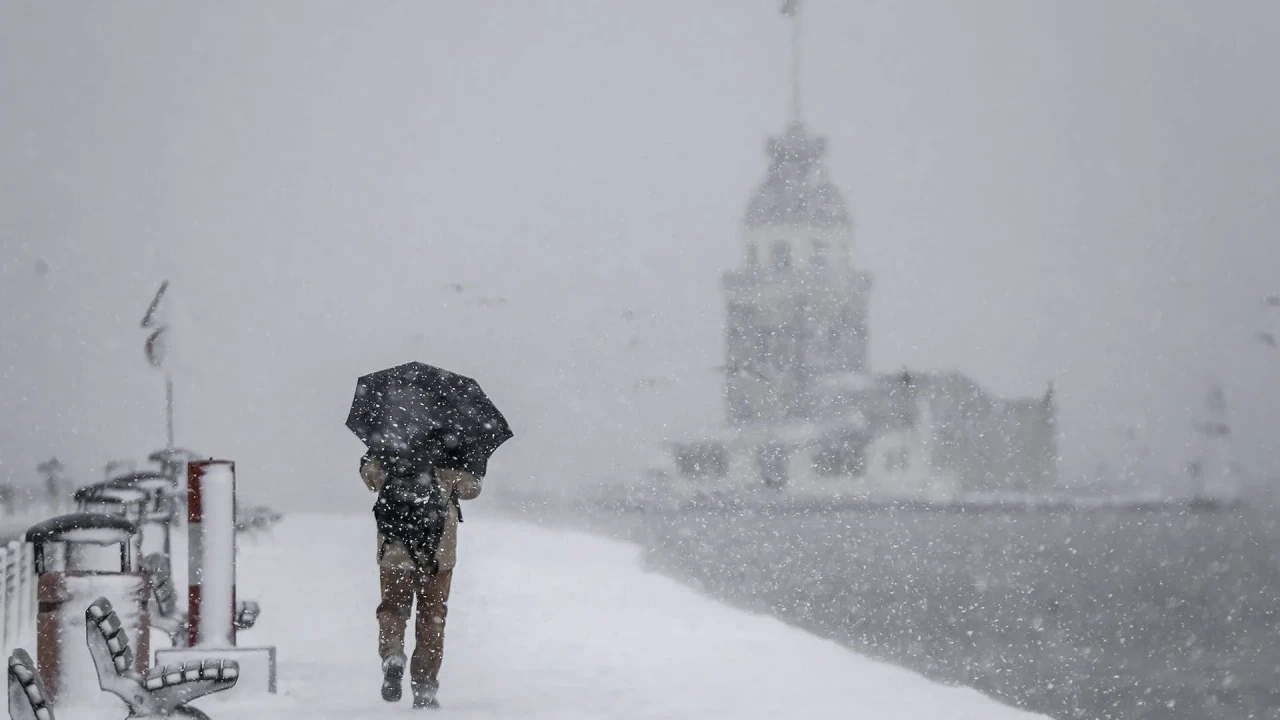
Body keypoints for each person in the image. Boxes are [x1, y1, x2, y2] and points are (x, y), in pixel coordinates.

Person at [360, 449, 482, 709]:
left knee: (392, 607)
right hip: (437, 552)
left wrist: (375, 459)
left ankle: (393, 655)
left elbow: (371, 478)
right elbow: (471, 489)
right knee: (432, 615)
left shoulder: (390, 441)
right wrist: (469, 466)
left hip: (395, 550)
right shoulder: (452, 447)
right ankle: (425, 685)